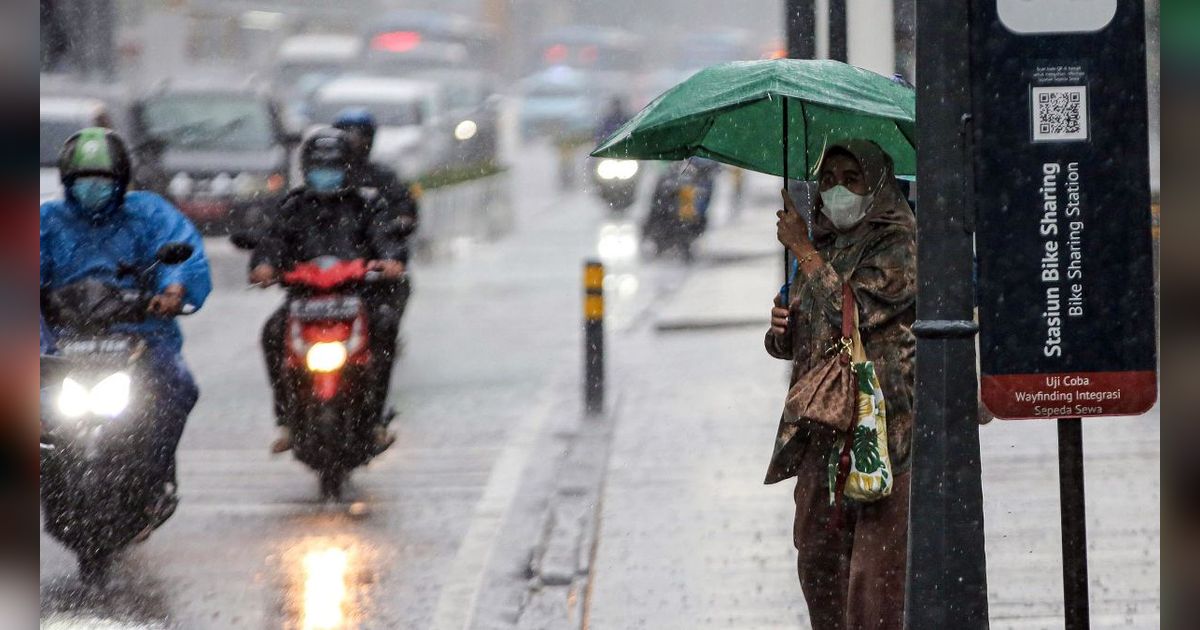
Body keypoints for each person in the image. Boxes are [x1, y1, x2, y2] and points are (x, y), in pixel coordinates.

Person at [765, 139, 916, 630]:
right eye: (828, 179)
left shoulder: (899, 243)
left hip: (879, 434)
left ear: (876, 184)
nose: (838, 190)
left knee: (872, 583)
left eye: (852, 178)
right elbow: (805, 336)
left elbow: (856, 314)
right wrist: (781, 328)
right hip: (822, 433)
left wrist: (804, 251)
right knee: (818, 563)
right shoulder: (823, 245)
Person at [40, 127, 211, 514]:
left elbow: (182, 255)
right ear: (67, 182)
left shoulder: (148, 214)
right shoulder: (46, 221)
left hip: (139, 339)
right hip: (60, 343)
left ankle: (154, 477)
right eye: (84, 181)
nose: (93, 189)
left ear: (120, 182)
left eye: (102, 181)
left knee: (177, 386)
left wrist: (173, 291)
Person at [248, 128, 410, 454]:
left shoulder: (367, 204)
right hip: (303, 301)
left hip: (357, 299)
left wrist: (389, 261)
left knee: (385, 326)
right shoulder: (293, 206)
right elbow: (272, 242)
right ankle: (285, 421)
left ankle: (376, 419)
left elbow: (386, 240)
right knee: (272, 332)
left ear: (349, 167)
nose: (326, 175)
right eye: (320, 168)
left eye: (333, 167)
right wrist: (264, 264)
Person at [332, 107, 420, 240]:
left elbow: (403, 205)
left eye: (359, 136)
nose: (353, 142)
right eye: (346, 136)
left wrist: (399, 222)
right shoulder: (328, 175)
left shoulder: (383, 176)